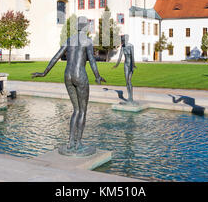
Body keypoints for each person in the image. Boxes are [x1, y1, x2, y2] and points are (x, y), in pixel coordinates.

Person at [31, 16, 106, 154]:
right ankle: (78, 143)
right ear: (85, 27)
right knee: (82, 110)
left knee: (75, 110)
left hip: (68, 76)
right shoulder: (87, 41)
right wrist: (97, 76)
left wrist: (44, 73)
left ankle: (70, 141)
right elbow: (92, 61)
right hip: (80, 75)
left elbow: (56, 57)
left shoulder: (69, 40)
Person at [112, 34, 137, 103]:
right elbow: (120, 57)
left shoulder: (131, 46)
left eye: (123, 40)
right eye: (122, 40)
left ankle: (131, 98)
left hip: (131, 64)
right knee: (126, 81)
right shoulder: (123, 47)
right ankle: (129, 97)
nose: (122, 42)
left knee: (129, 80)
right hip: (126, 65)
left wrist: (133, 65)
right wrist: (116, 65)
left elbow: (132, 56)